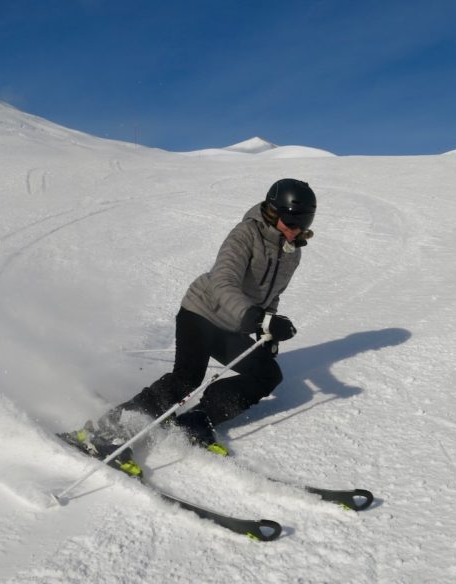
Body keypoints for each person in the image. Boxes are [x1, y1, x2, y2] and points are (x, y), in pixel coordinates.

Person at [60, 178, 316, 475]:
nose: (295, 228)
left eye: (303, 221)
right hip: (201, 312)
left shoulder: (291, 252)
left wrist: (266, 328)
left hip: (234, 325)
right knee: (186, 379)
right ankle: (105, 431)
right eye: (290, 220)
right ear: (273, 212)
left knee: (266, 374)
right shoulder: (246, 234)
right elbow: (223, 282)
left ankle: (197, 420)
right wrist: (258, 317)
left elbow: (271, 293)